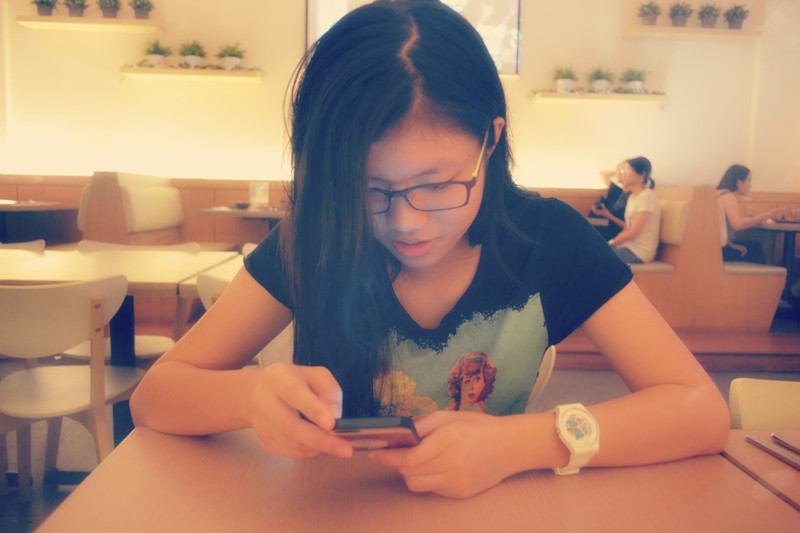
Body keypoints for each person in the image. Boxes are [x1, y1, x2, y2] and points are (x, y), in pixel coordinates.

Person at [130, 0, 729, 499]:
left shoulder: (548, 240)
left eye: (437, 184)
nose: (405, 223)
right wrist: (250, 397)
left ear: (490, 140)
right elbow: (156, 395)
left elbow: (701, 409)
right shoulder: (319, 236)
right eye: (367, 189)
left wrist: (522, 443)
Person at [591, 157, 660, 264]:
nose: (623, 174)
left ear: (642, 174)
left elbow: (634, 232)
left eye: (627, 170)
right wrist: (611, 243)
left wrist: (611, 243)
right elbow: (627, 229)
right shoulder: (632, 197)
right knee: (590, 252)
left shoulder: (647, 196)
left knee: (593, 258)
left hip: (639, 252)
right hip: (627, 247)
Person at [716, 164, 784, 264]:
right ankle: (768, 274)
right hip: (719, 252)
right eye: (749, 181)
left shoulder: (719, 194)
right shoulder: (729, 197)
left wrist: (731, 245)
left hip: (715, 247)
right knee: (756, 248)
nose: (750, 185)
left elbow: (717, 229)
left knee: (753, 246)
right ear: (739, 183)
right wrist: (768, 215)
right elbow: (738, 224)